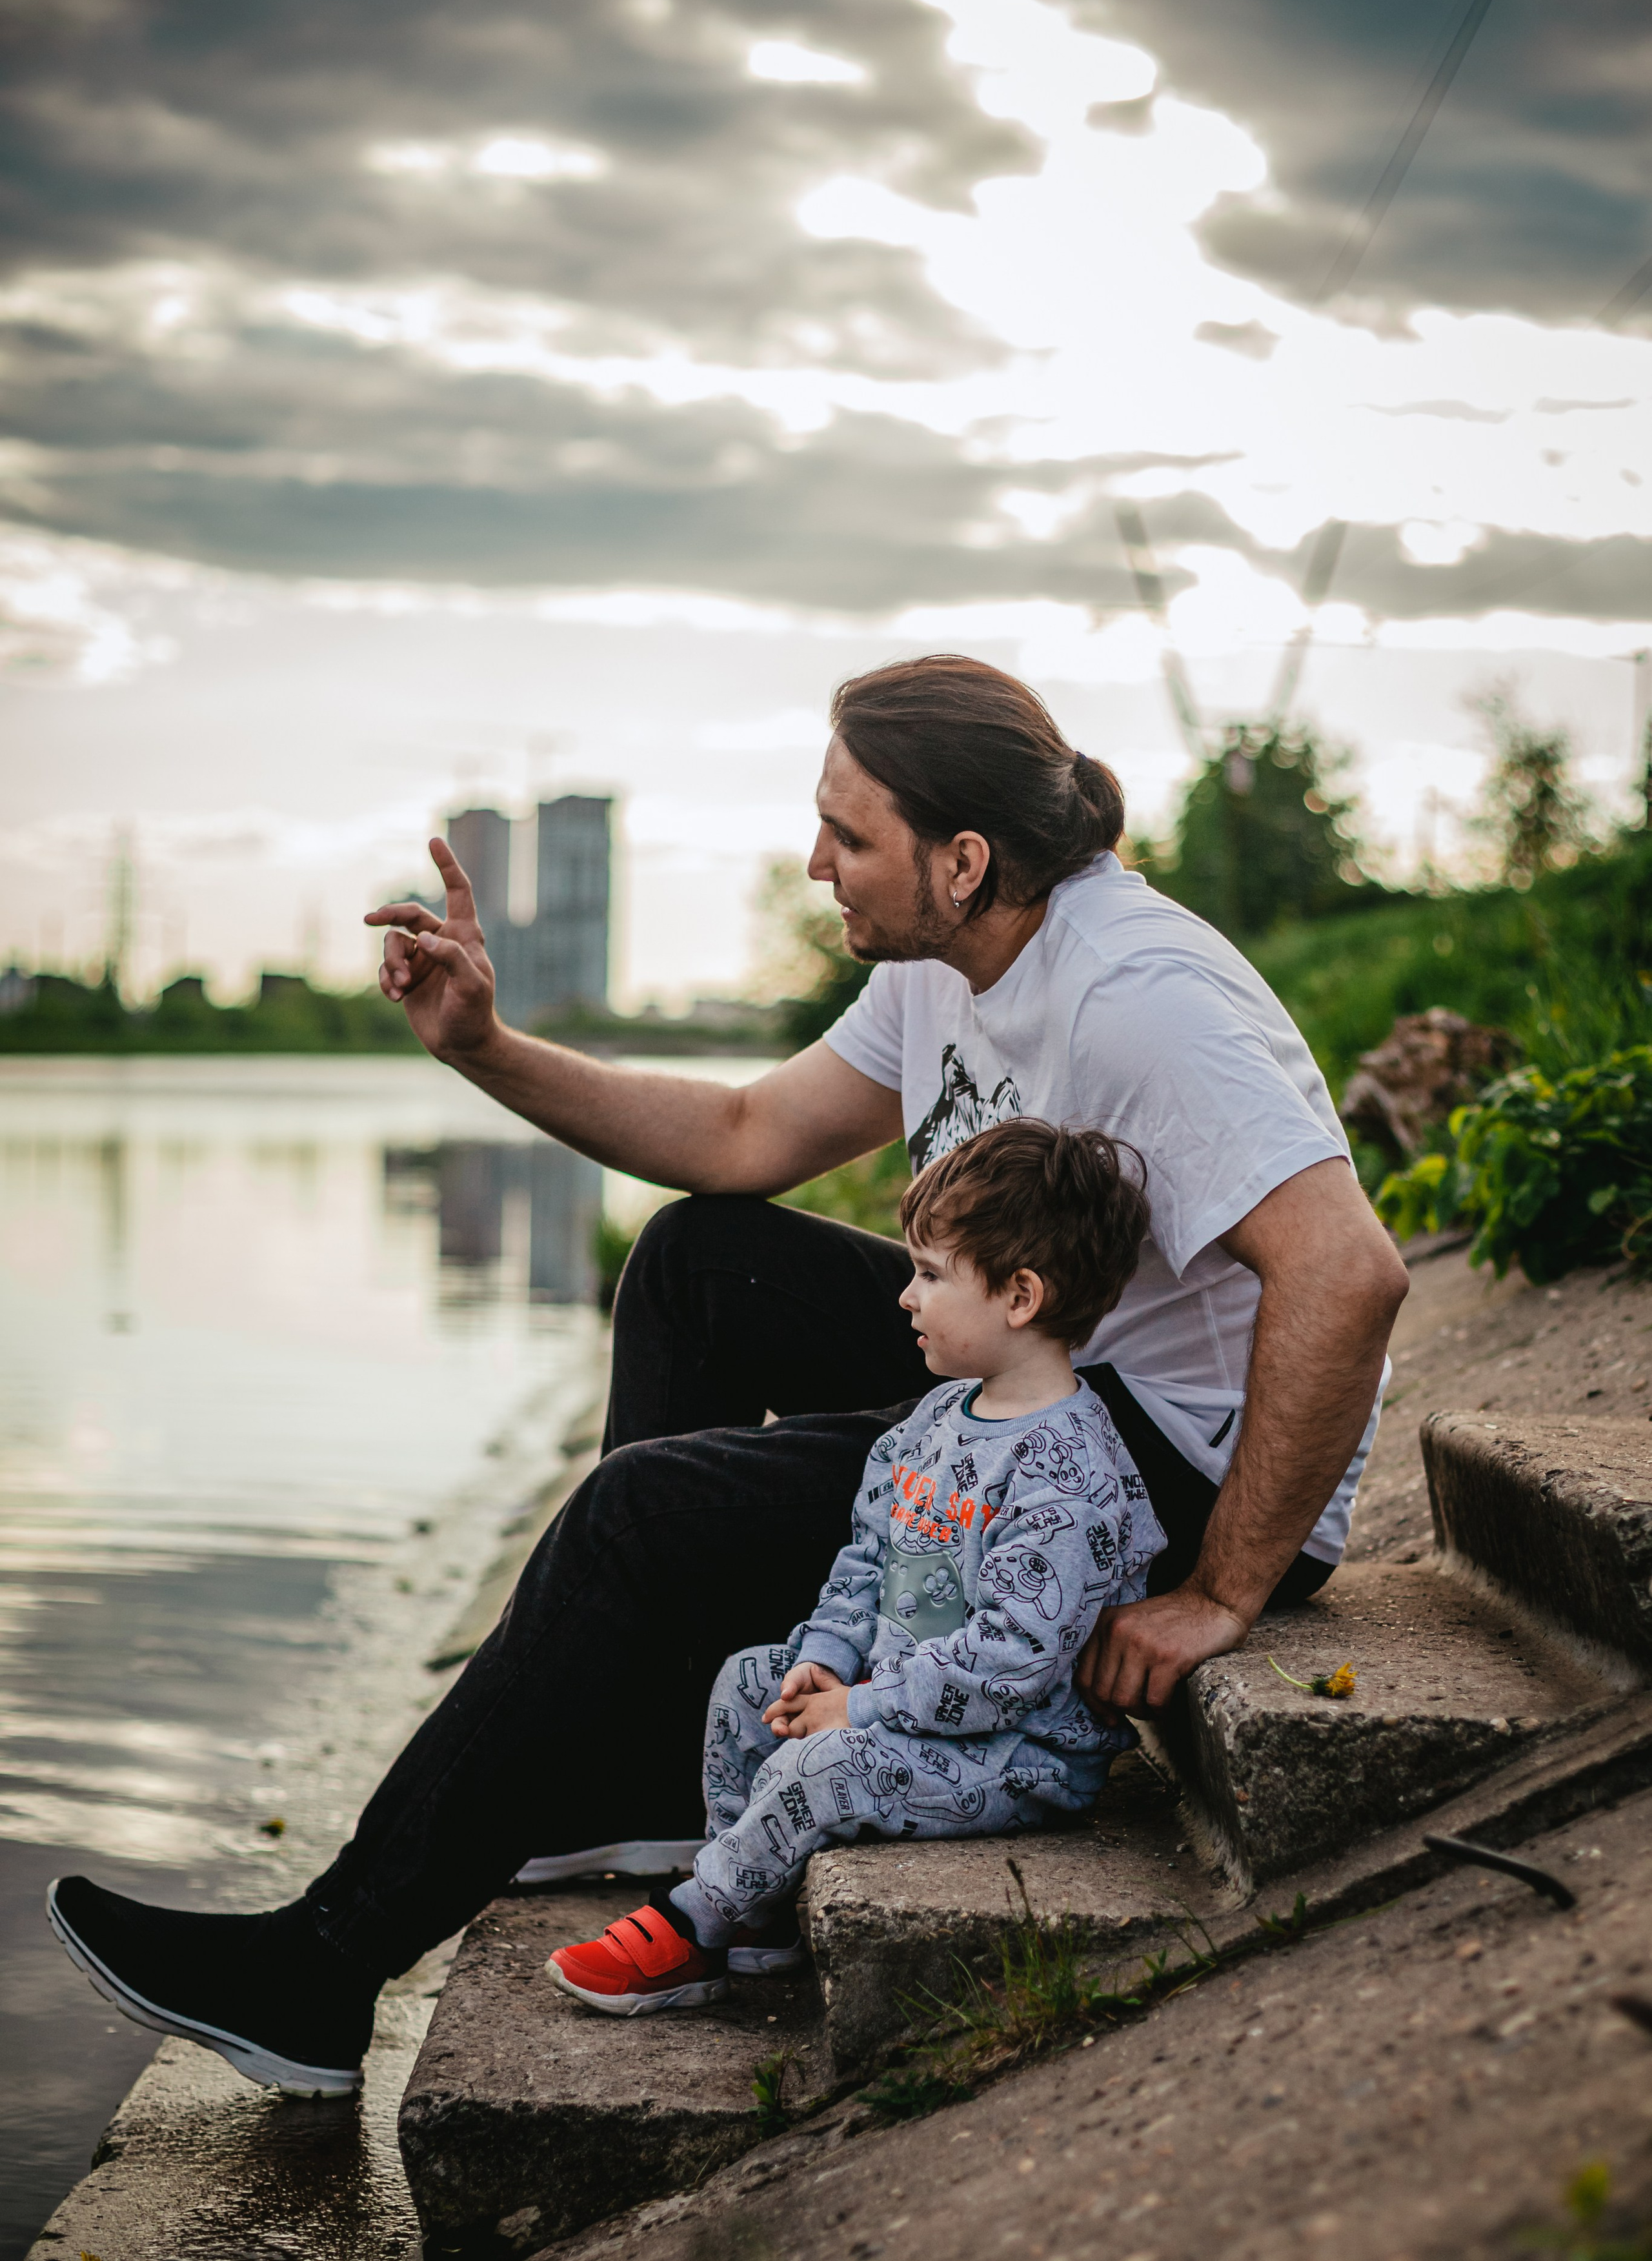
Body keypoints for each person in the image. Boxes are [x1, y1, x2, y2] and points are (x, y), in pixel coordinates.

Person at [44, 654, 1407, 2098]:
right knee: (703, 1260)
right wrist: (484, 1049)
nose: (814, 861)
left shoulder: (1136, 995)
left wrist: (1219, 1591)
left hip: (1152, 1474)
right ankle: (636, 1772)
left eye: (848, 836)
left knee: (643, 1514)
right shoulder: (948, 961)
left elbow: (1346, 1272)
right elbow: (746, 1132)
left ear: (963, 859)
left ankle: (318, 1973)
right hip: (1038, 1374)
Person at [547, 1117, 1163, 2016]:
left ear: (1020, 1296)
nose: (905, 1298)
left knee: (822, 1765)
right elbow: (867, 1557)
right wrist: (829, 1656)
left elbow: (1011, 1669)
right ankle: (757, 1912)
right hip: (901, 1698)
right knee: (745, 1685)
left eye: (931, 1275)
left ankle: (696, 1923)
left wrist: (861, 1707)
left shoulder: (1067, 1473)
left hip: (1014, 1753)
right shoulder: (936, 1420)